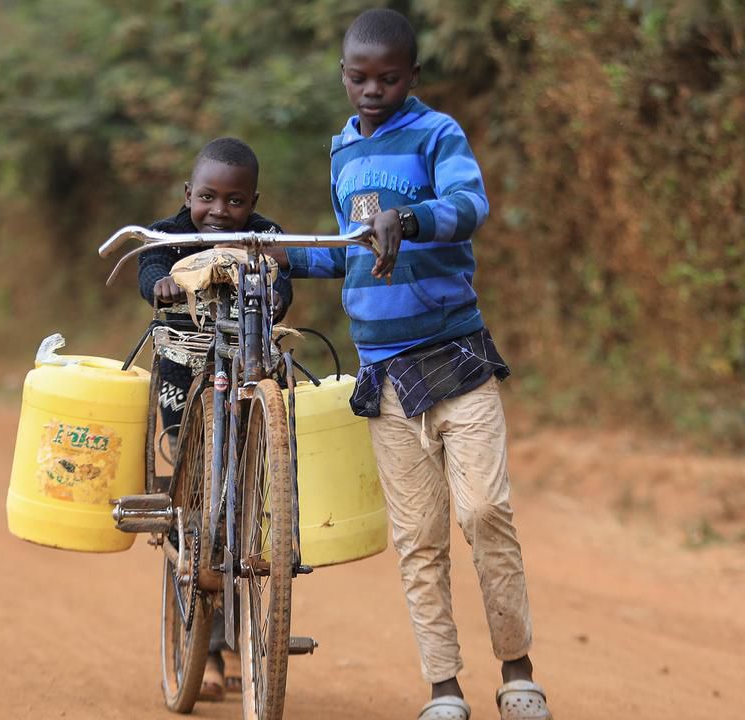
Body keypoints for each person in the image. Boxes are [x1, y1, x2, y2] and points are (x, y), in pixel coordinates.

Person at [271, 9, 553, 720]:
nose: (373, 90)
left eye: (389, 77)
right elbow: (345, 249)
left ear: (413, 76)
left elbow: (469, 204)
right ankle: (444, 688)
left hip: (457, 359)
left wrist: (414, 218)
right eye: (360, 77)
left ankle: (517, 671)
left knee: (485, 510)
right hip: (386, 379)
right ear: (343, 76)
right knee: (418, 540)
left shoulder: (437, 134)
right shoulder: (341, 151)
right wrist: (279, 252)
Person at [137, 136, 293, 701]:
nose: (219, 212)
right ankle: (201, 648)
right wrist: (158, 282)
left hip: (244, 379)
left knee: (241, 514)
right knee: (194, 512)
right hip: (185, 376)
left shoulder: (265, 236)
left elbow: (284, 282)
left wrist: (277, 296)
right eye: (207, 197)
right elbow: (151, 263)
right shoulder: (171, 232)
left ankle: (233, 645)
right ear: (188, 193)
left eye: (235, 201)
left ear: (253, 200)